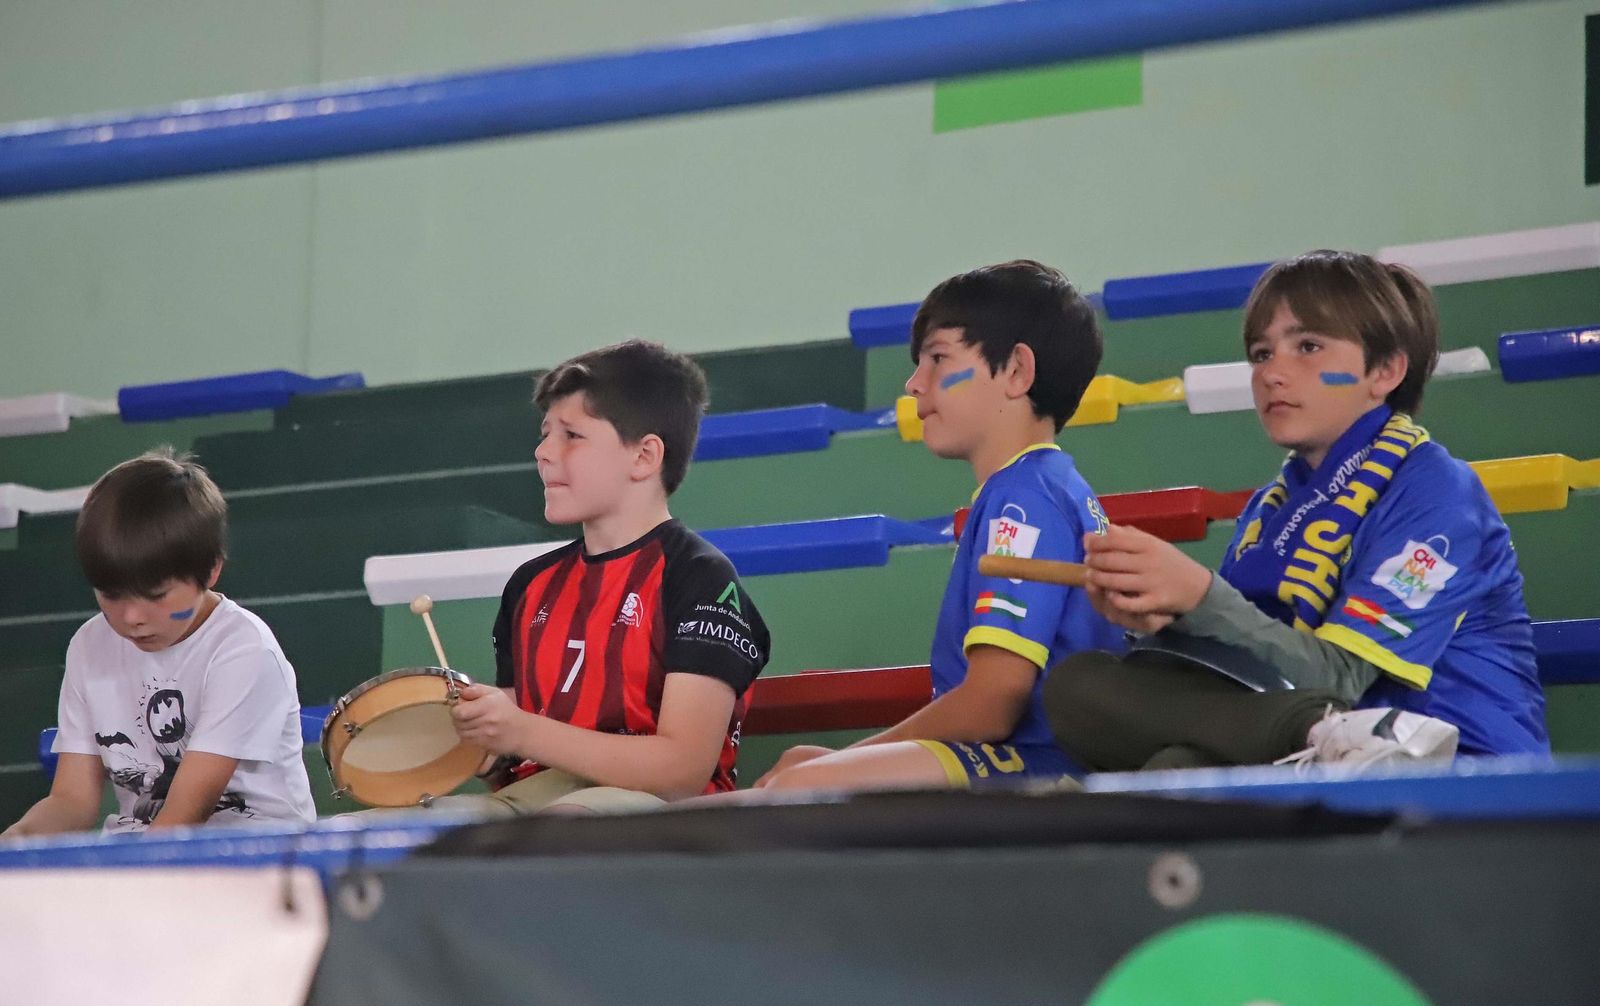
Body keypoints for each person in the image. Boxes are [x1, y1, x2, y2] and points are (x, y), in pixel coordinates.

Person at [1045, 249, 1548, 771]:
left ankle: (1318, 737)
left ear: (1385, 371)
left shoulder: (1440, 492)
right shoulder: (1273, 503)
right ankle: (1314, 734)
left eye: (1308, 347)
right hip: (1306, 751)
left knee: (1180, 768)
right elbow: (1246, 660)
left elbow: (1342, 679)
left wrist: (1201, 595)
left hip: (1454, 763)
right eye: (1261, 354)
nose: (1272, 374)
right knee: (1081, 687)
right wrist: (1163, 616)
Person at [752, 260, 1123, 794]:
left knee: (801, 789)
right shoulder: (1042, 486)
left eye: (938, 358)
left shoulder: (1022, 500)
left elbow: (993, 702)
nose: (914, 383)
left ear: (1017, 371)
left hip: (1039, 769)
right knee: (794, 777)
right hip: (1029, 762)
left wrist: (848, 760)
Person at [446, 338, 771, 814]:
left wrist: (521, 730)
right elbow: (510, 767)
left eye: (571, 435)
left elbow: (682, 771)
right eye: (545, 433)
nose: (543, 452)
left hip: (664, 819)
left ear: (644, 456)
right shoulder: (529, 585)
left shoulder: (699, 576)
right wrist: (484, 744)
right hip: (540, 803)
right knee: (396, 834)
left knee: (559, 829)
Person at [2, 449, 315, 837]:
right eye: (111, 595)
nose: (132, 617)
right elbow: (71, 801)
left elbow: (185, 812)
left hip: (252, 855)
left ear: (211, 570)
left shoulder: (242, 649)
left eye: (156, 595)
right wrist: (15, 843)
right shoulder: (89, 645)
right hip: (140, 851)